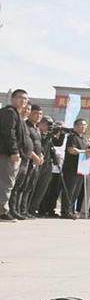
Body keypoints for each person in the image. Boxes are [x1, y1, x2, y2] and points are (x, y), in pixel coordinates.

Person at [0, 89, 31, 222]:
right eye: (20, 97)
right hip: (8, 154)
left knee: (8, 183)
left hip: (15, 155)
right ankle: (2, 211)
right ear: (12, 98)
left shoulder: (17, 115)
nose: (23, 101)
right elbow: (9, 133)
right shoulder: (10, 112)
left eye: (25, 99)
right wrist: (14, 151)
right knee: (6, 183)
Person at [61, 118, 90, 219]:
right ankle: (65, 211)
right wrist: (84, 152)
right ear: (75, 126)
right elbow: (71, 150)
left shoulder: (84, 139)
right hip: (71, 168)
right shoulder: (72, 137)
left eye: (85, 125)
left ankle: (71, 210)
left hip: (81, 169)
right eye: (80, 125)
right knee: (69, 191)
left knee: (76, 192)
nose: (83, 127)